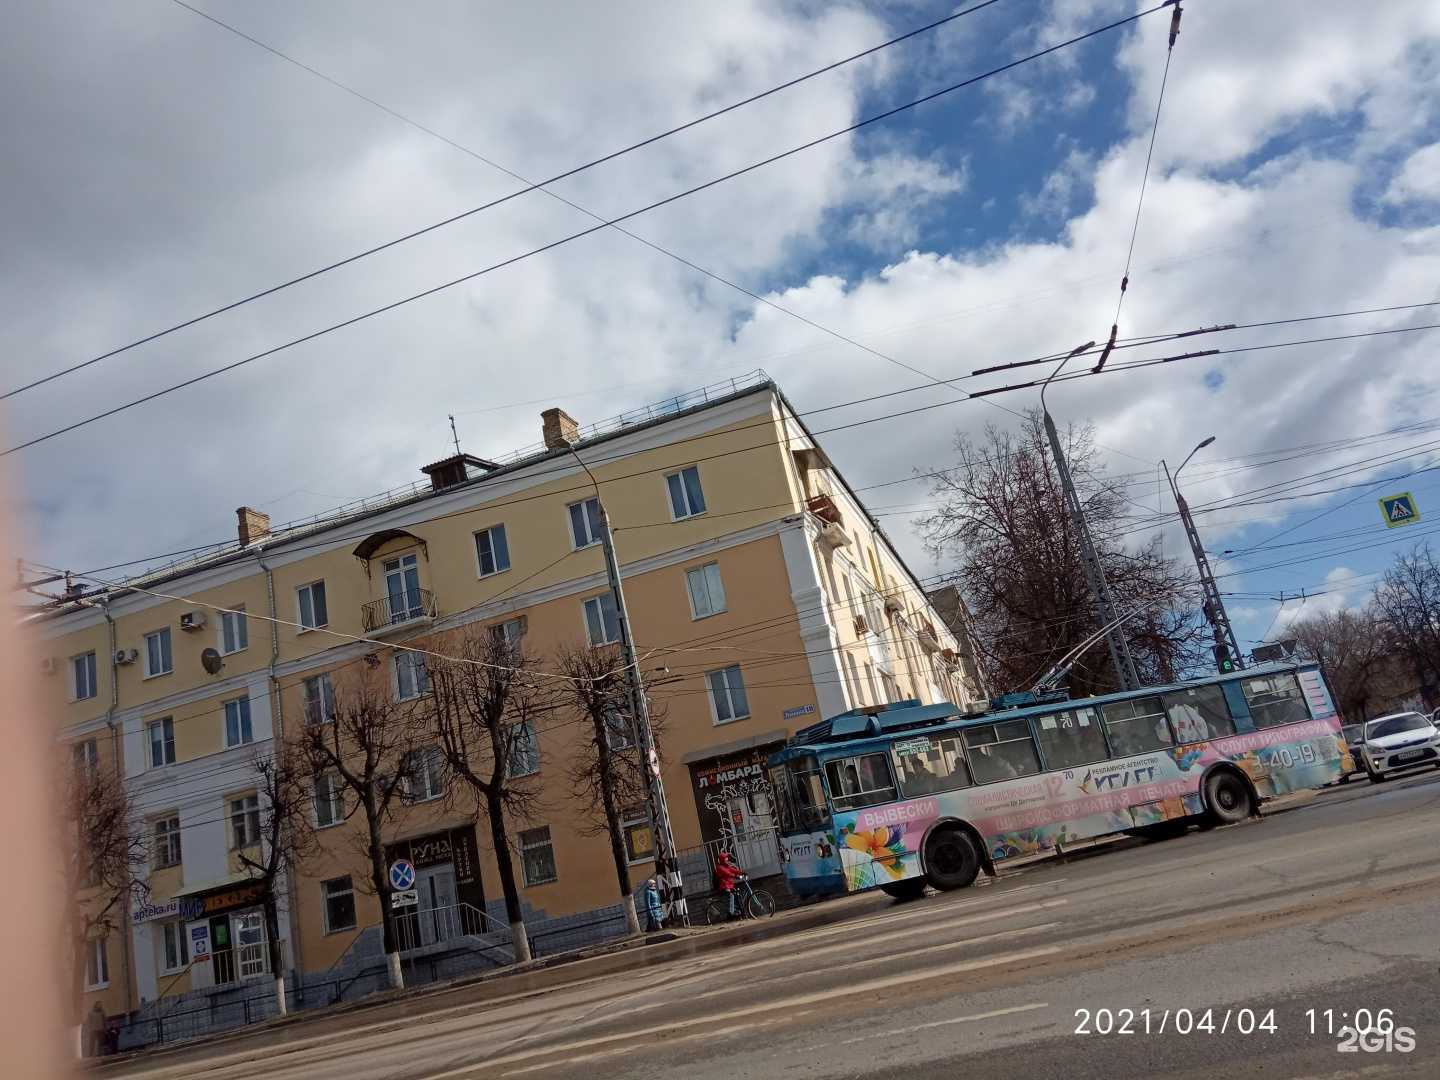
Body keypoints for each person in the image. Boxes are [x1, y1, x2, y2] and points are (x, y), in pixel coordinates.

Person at [714, 850, 744, 918]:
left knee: (737, 895)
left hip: (729, 886)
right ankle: (731, 913)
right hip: (724, 887)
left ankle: (738, 912)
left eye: (727, 857)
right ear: (722, 859)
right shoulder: (720, 867)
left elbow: (734, 870)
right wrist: (736, 876)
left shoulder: (727, 866)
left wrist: (742, 872)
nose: (727, 859)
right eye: (726, 858)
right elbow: (728, 874)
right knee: (731, 896)